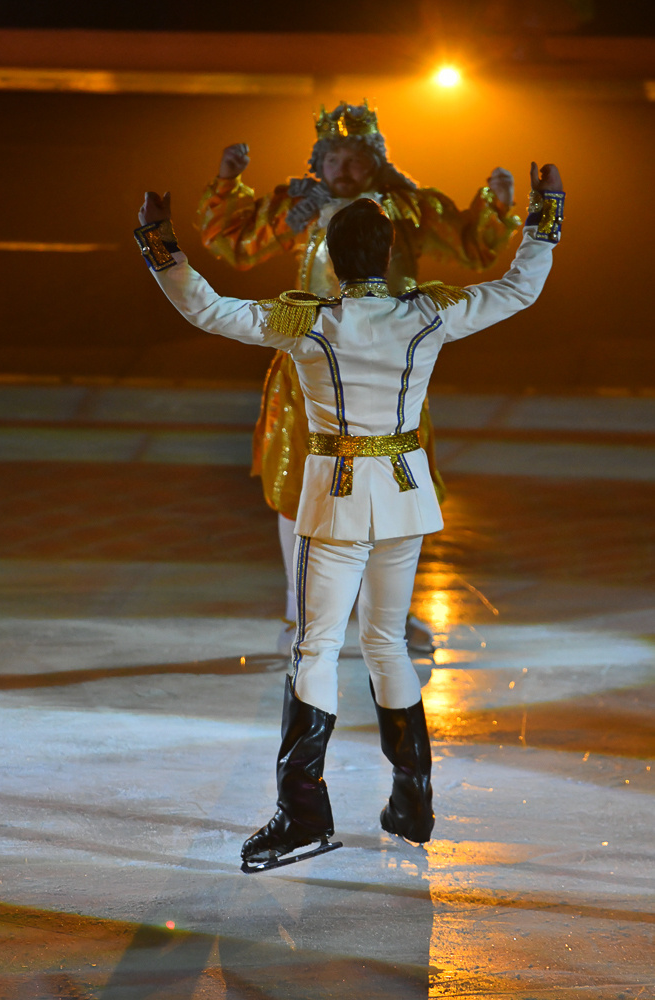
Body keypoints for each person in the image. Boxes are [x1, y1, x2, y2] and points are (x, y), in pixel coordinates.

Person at [135, 161, 564, 871]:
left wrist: (159, 243)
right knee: (386, 643)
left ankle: (302, 814)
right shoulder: (427, 314)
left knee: (315, 645)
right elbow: (518, 288)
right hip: (403, 497)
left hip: (335, 499)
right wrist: (546, 212)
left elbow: (208, 308)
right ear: (387, 254)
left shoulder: (309, 321)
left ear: (332, 260)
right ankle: (412, 800)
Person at [197, 101, 521, 654]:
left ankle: (391, 618)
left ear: (374, 162)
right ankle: (300, 620)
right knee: (295, 491)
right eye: (335, 158)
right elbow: (233, 242)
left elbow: (472, 243)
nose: (343, 169)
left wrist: (498, 203)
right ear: (319, 162)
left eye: (355, 158)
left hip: (390, 372)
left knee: (397, 487)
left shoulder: (407, 209)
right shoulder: (297, 208)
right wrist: (228, 182)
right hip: (310, 372)